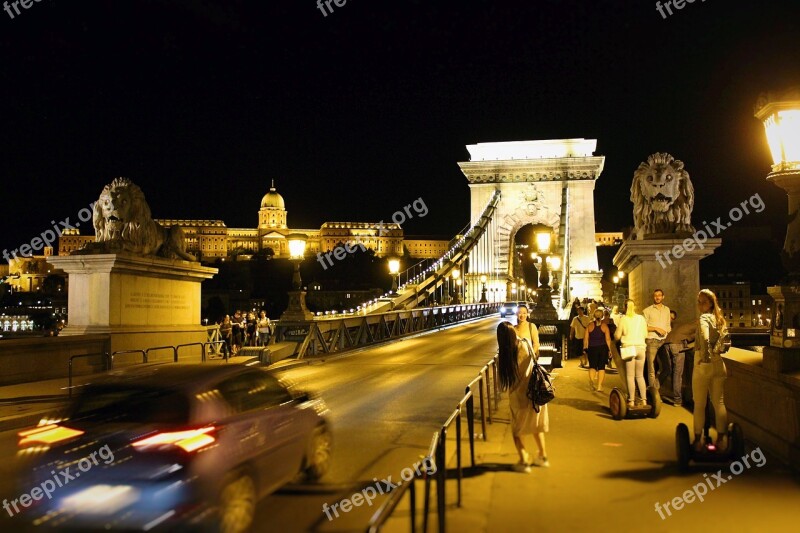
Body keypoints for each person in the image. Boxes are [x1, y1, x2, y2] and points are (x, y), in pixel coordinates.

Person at [497, 322, 549, 472]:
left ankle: (524, 460)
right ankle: (543, 457)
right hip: (535, 391)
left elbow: (507, 379)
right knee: (536, 426)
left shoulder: (505, 354)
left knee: (517, 430)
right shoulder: (525, 344)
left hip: (518, 396)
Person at [692, 289, 729, 452]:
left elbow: (705, 337)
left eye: (703, 302)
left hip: (704, 363)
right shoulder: (721, 320)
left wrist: (705, 356)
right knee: (719, 402)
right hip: (719, 363)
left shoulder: (704, 318)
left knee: (699, 404)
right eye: (699, 302)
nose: (700, 305)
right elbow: (726, 343)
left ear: (711, 304)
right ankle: (722, 439)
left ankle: (698, 440)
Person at [614, 299, 648, 408]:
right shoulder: (641, 318)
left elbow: (617, 336)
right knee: (640, 375)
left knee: (630, 376)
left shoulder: (623, 319)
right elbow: (646, 335)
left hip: (629, 348)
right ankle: (644, 401)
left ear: (625, 307)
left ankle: (632, 400)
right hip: (641, 348)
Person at [664, 310, 696, 406]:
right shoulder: (700, 326)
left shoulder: (688, 324)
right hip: (677, 344)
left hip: (667, 343)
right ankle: (677, 400)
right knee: (678, 373)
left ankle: (657, 390)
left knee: (670, 371)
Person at [643, 289, 671, 389]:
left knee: (667, 368)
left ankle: (655, 388)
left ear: (663, 297)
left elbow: (668, 324)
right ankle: (653, 394)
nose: (657, 297)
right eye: (655, 295)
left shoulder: (667, 309)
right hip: (651, 340)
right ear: (653, 297)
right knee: (651, 369)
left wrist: (667, 331)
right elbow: (643, 327)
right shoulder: (647, 310)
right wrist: (655, 328)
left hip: (663, 341)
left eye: (659, 295)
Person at [584, 308, 612, 392]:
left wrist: (585, 348)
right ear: (602, 316)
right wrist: (610, 350)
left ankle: (592, 382)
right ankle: (599, 386)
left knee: (592, 366)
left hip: (592, 348)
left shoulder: (589, 326)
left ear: (594, 316)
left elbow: (586, 339)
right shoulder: (604, 326)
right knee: (601, 367)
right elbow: (608, 339)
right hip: (602, 349)